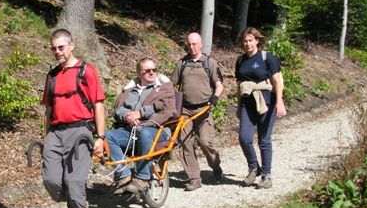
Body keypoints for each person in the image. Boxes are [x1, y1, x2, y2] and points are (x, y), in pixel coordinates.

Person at [42, 29, 106, 208]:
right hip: (56, 132)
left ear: (71, 46)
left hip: (80, 131)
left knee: (74, 180)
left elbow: (98, 105)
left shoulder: (86, 71)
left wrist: (100, 137)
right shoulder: (52, 76)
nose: (57, 52)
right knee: (50, 180)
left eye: (61, 47)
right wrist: (46, 136)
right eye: (54, 48)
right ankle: (74, 199)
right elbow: (49, 110)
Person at [105, 57, 176, 195]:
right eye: (147, 70)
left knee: (143, 132)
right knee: (107, 136)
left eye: (154, 70)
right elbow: (118, 109)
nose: (152, 73)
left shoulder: (163, 88)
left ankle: (143, 177)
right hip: (131, 130)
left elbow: (167, 108)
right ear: (139, 73)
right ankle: (123, 175)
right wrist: (127, 116)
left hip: (156, 130)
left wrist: (140, 113)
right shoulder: (129, 90)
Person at [170, 32, 224, 191]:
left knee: (205, 142)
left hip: (204, 109)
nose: (192, 47)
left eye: (194, 44)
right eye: (189, 44)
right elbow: (171, 84)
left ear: (201, 44)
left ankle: (215, 165)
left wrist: (215, 96)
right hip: (185, 110)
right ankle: (194, 178)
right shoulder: (182, 63)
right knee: (185, 143)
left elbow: (219, 84)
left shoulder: (210, 63)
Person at [235, 27, 286, 189]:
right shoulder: (240, 61)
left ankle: (266, 175)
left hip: (266, 102)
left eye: (250, 40)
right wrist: (238, 106)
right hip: (247, 103)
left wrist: (279, 101)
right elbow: (239, 85)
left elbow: (277, 81)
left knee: (264, 139)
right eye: (244, 41)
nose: (247, 44)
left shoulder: (266, 57)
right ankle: (253, 167)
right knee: (244, 138)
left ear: (257, 41)